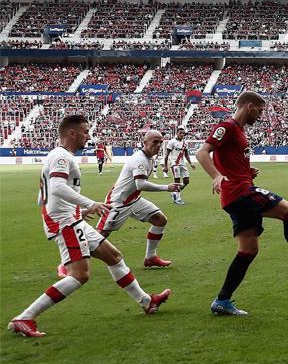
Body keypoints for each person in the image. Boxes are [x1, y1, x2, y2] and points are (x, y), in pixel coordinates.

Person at [9, 115, 170, 338]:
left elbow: (42, 197)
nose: (89, 136)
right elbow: (55, 188)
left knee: (114, 256)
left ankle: (147, 302)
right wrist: (89, 204)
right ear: (71, 133)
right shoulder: (62, 156)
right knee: (79, 275)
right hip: (65, 223)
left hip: (70, 218)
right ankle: (25, 317)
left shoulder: (58, 156)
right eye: (85, 132)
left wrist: (77, 211)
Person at [196, 91, 288, 317]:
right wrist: (216, 176)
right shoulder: (227, 127)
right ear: (249, 106)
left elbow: (228, 159)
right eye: (259, 110)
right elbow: (202, 152)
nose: (260, 115)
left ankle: (222, 300)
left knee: (248, 249)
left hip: (237, 193)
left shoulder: (239, 132)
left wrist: (247, 171)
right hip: (239, 193)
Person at [94, 130, 182, 270]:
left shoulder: (149, 158)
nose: (159, 145)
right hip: (119, 202)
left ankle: (150, 257)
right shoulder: (140, 159)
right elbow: (140, 184)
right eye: (155, 142)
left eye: (161, 142)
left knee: (160, 220)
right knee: (100, 235)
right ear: (145, 143)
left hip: (134, 200)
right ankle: (69, 262)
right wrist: (167, 187)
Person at [163, 127, 194, 205]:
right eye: (180, 133)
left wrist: (190, 163)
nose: (182, 134)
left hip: (182, 163)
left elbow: (186, 154)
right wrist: (165, 166)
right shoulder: (172, 142)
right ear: (177, 133)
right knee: (177, 180)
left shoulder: (185, 143)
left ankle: (174, 192)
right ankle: (178, 198)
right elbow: (166, 155)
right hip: (174, 163)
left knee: (186, 181)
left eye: (183, 133)